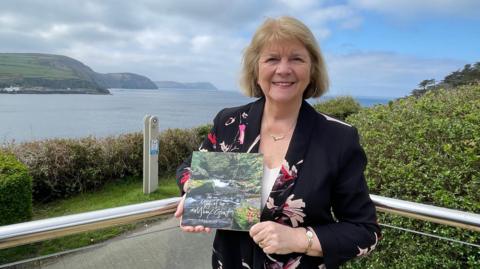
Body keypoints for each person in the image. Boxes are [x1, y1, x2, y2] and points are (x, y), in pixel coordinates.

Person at [174, 16, 381, 269]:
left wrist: (299, 239)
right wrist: (197, 190)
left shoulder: (338, 138)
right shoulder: (229, 122)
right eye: (272, 59)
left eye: (296, 58)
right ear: (256, 69)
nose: (283, 69)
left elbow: (365, 231)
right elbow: (188, 168)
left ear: (312, 69)